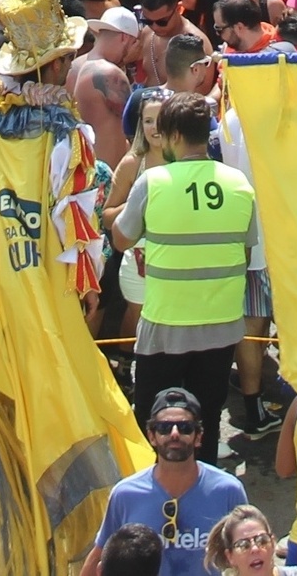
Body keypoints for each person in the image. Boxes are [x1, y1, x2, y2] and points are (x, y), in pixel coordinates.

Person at [109, 89, 262, 431]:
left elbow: (120, 239)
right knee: (205, 426)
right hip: (221, 326)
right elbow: (246, 252)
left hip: (166, 328)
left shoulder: (154, 181)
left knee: (156, 426)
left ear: (174, 135)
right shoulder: (238, 183)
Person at [82, 388, 246, 576]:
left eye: (185, 427)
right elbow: (100, 555)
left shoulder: (228, 490)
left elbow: (251, 556)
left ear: (198, 437)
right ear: (152, 436)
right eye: (164, 427)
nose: (174, 433)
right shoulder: (125, 495)